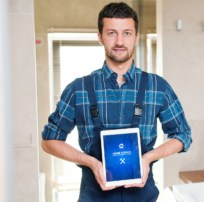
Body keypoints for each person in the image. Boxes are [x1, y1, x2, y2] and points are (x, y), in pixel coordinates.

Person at [41, 2, 192, 202]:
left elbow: (183, 135)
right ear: (100, 37)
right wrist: (91, 163)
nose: (120, 41)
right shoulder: (78, 89)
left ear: (136, 38)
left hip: (143, 195)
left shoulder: (157, 86)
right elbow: (49, 141)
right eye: (112, 33)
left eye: (127, 33)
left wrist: (147, 159)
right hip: (93, 195)